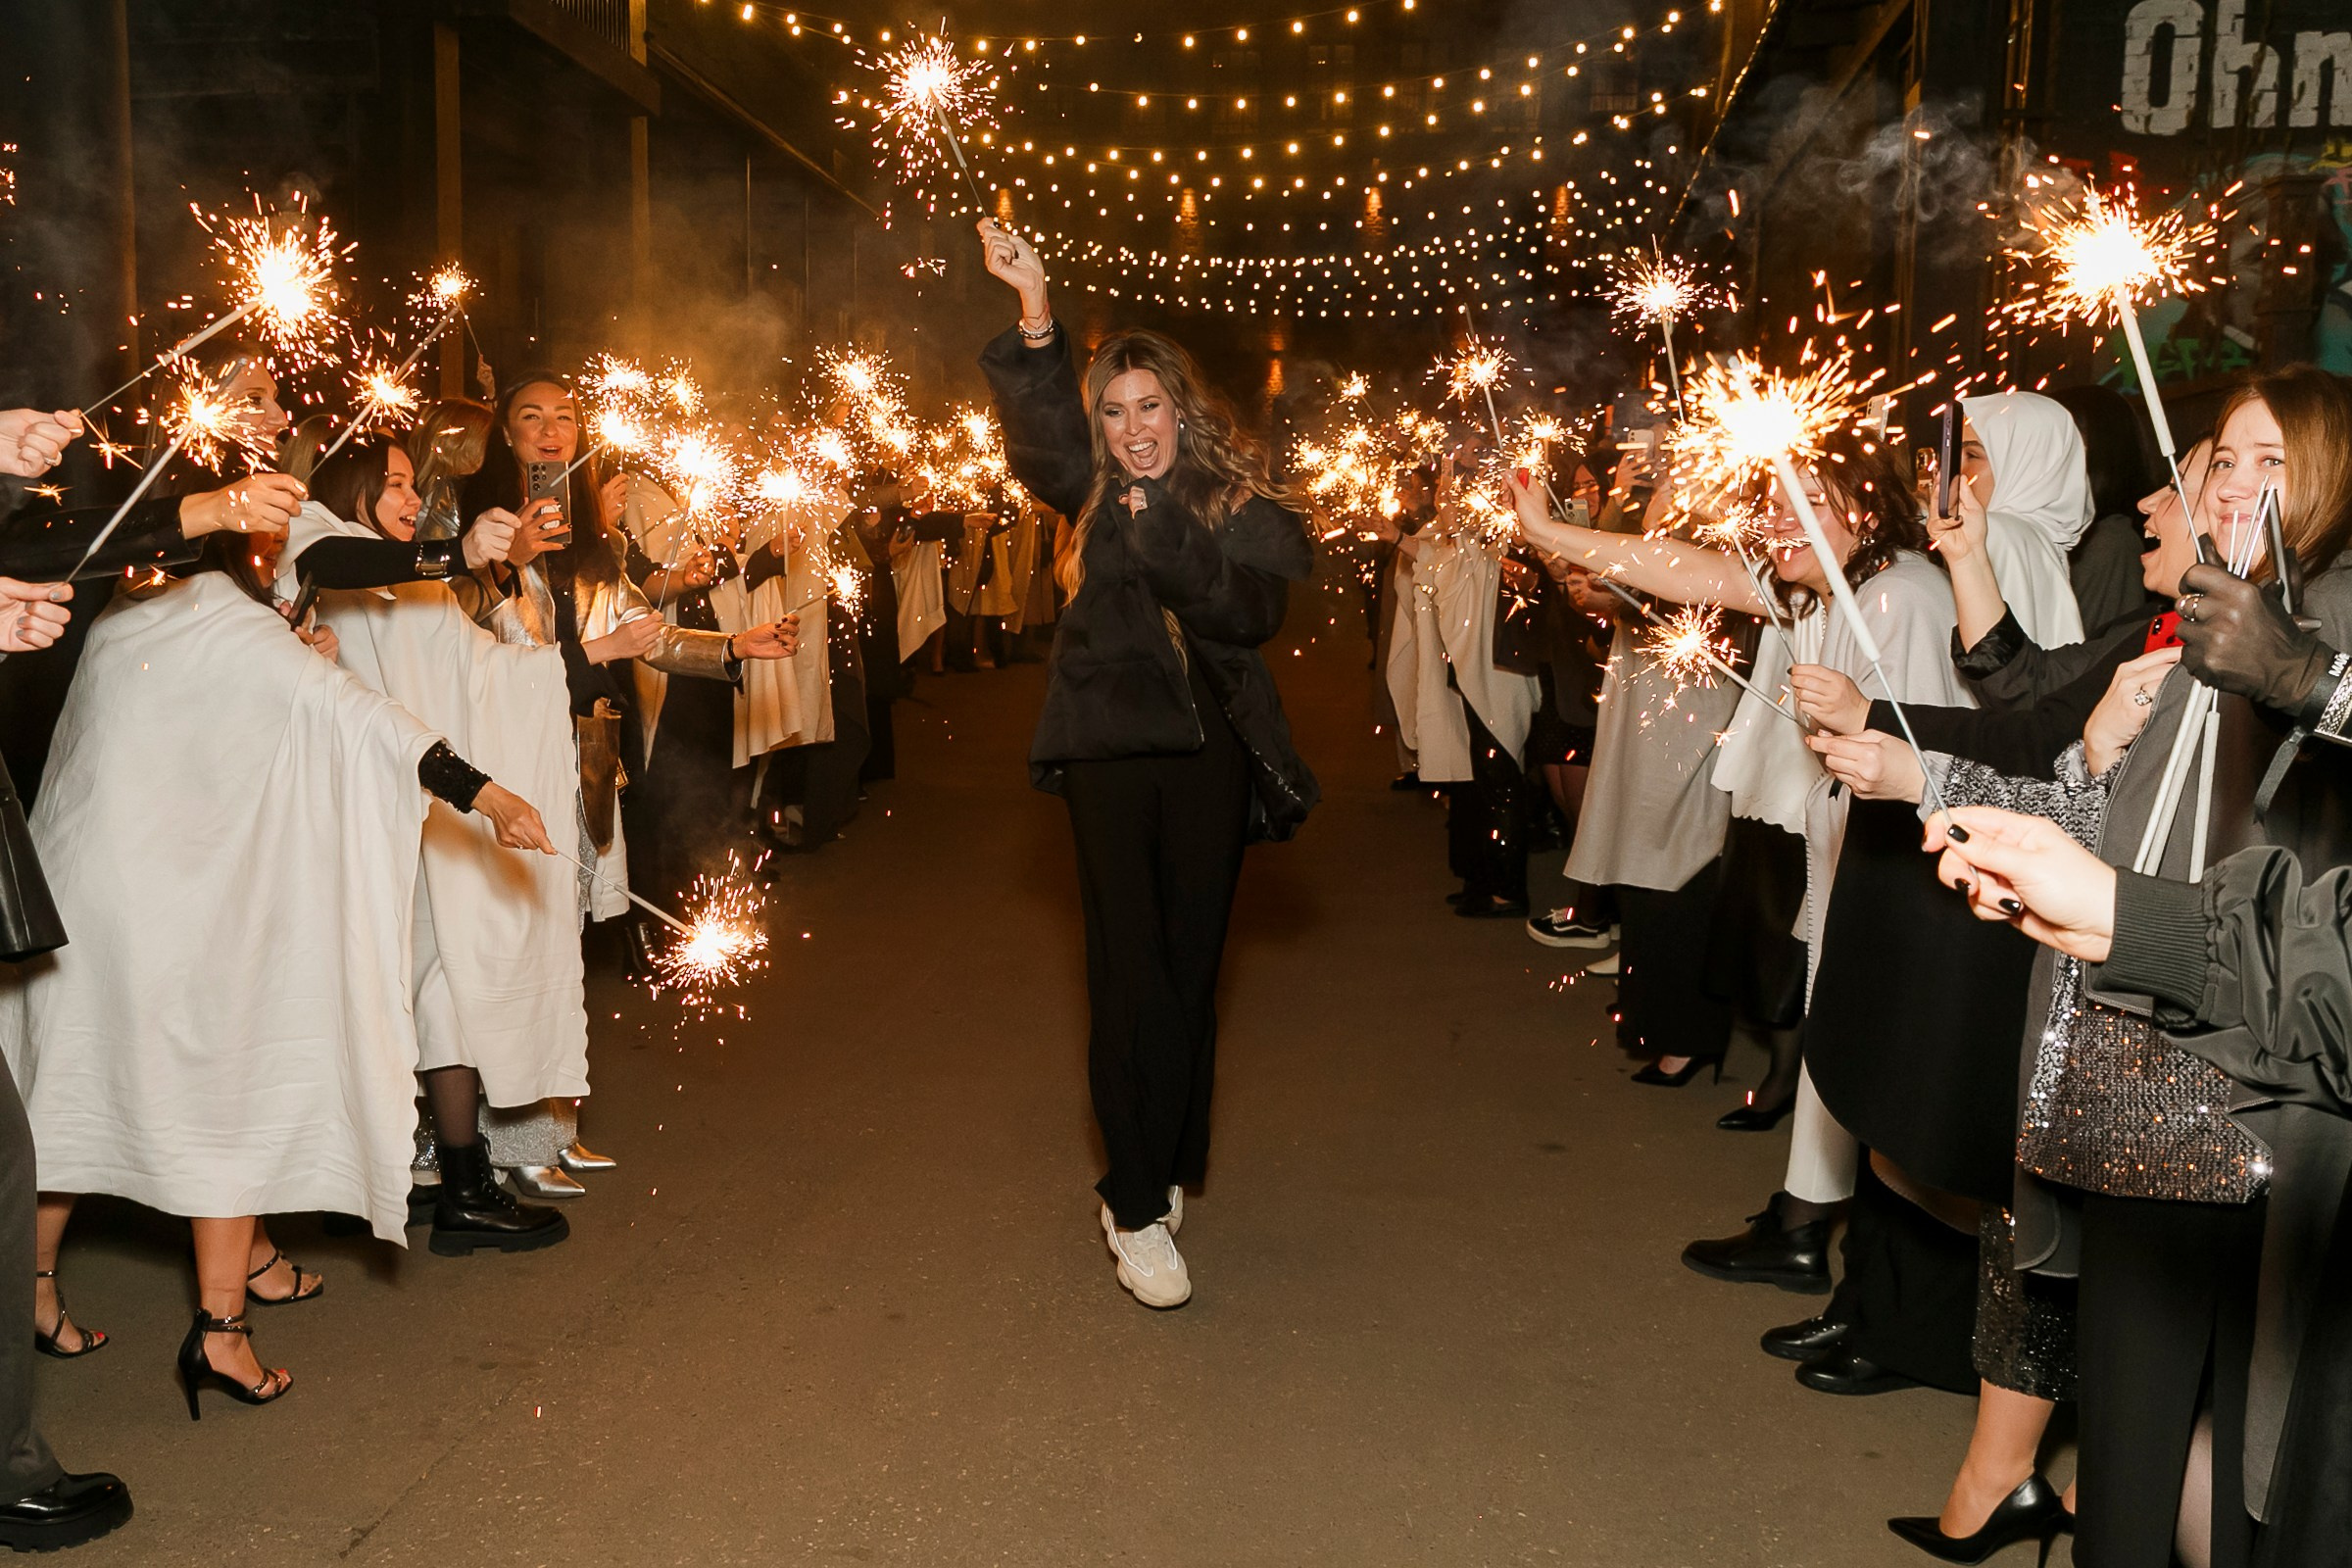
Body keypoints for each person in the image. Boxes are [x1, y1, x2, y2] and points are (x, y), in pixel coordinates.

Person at [1838, 367, 2352, 1567]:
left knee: (2252, 1453)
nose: (2234, 484)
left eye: (2273, 462)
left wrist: (2303, 680)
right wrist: (1973, 785)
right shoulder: (2181, 643)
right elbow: (2071, 775)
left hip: (2264, 1089)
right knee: (2131, 1414)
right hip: (2120, 1063)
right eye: (2222, 458)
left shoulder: (2306, 642)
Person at [2, 500, 556, 1421]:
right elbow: (363, 719)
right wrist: (484, 791)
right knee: (224, 1094)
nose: (281, 549)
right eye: (270, 533)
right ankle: (219, 1333)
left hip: (77, 891)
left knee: (64, 1090)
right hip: (168, 909)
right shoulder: (230, 617)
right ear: (229, 539)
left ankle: (32, 1287)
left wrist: (290, 660)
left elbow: (181, 743)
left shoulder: (129, 610)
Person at [976, 217, 1317, 1309]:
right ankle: (1131, 1199)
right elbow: (1037, 438)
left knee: (1188, 971)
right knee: (1128, 975)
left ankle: (1164, 1160)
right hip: (1107, 757)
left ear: (1184, 410)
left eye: (1149, 408)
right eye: (1114, 412)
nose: (1132, 430)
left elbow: (1244, 608)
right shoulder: (1085, 487)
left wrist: (1163, 521)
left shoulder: (1241, 508)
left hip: (1212, 757)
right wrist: (1036, 315)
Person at [295, 438, 577, 1254]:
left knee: (439, 985)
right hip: (361, 817)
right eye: (390, 483)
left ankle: (457, 1178)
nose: (410, 496)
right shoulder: (318, 541)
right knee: (376, 992)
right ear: (345, 484)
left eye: (412, 484)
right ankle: (403, 1177)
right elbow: (332, 561)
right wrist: (451, 552)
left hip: (432, 811)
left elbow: (482, 671)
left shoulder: (413, 578)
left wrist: (560, 647)